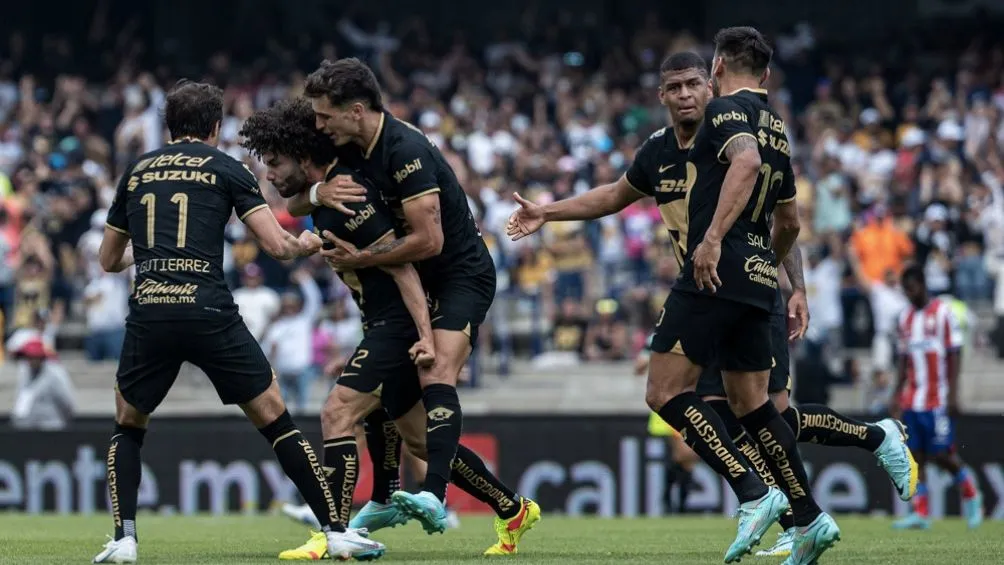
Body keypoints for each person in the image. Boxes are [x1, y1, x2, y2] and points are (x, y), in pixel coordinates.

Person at [507, 47, 915, 562]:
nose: (684, 96)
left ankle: (796, 484)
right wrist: (548, 211)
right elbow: (613, 196)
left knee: (751, 412)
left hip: (736, 281)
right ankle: (805, 513)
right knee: (753, 414)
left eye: (693, 85)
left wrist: (796, 288)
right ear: (661, 96)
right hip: (713, 282)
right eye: (674, 88)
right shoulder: (657, 151)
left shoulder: (728, 128)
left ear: (710, 85)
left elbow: (779, 216)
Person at [91, 80, 385, 564]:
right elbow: (278, 246)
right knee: (275, 418)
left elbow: (107, 260)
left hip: (152, 310)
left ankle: (124, 539)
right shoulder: (227, 168)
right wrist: (311, 243)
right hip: (208, 310)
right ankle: (335, 531)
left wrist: (150, 256)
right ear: (214, 126)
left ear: (169, 127)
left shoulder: (137, 171)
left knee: (128, 423)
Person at [239, 98, 539, 558]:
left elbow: (404, 271)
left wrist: (423, 331)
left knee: (337, 412)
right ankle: (510, 507)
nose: (271, 177)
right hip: (381, 320)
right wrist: (315, 199)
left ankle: (334, 534)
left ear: (302, 157)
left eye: (276, 164)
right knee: (420, 437)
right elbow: (299, 204)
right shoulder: (327, 194)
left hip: (398, 322)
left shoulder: (352, 196)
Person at [891, 265, 984, 531]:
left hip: (938, 399)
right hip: (913, 400)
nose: (909, 295)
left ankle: (972, 496)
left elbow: (954, 354)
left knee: (943, 454)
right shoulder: (905, 318)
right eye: (905, 290)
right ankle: (921, 513)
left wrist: (954, 393)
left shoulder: (943, 313)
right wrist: (896, 395)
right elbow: (902, 360)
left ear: (922, 284)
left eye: (912, 289)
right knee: (915, 457)